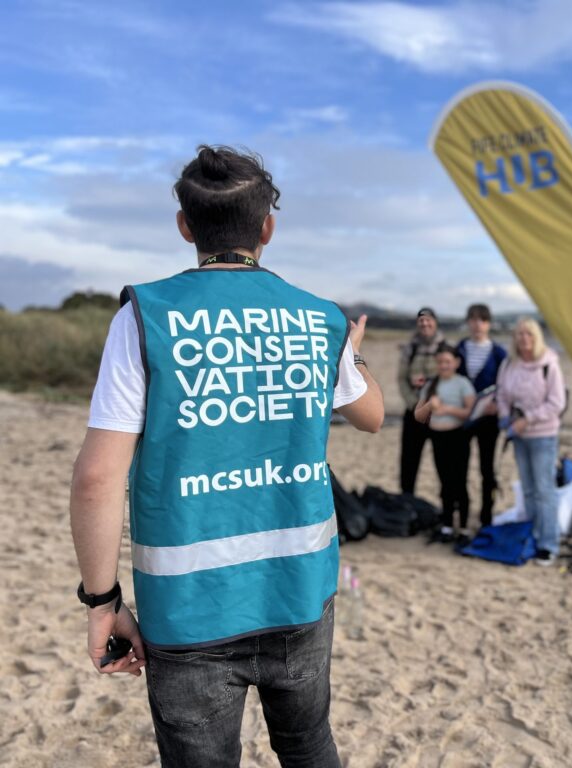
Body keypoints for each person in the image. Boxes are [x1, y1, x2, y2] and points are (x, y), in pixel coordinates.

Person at [69, 145, 385, 768]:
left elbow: (97, 478)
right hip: (298, 591)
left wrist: (101, 602)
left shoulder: (145, 317)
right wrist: (352, 351)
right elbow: (372, 415)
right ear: (267, 228)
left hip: (189, 608)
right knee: (308, 742)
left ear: (185, 225)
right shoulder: (320, 319)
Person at [496, 317, 566, 565]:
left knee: (544, 490)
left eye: (529, 334)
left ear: (537, 338)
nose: (524, 339)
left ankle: (549, 543)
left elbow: (557, 403)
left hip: (543, 435)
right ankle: (533, 534)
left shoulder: (549, 365)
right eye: (520, 334)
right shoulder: (509, 364)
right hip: (518, 436)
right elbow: (502, 394)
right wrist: (506, 416)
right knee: (528, 489)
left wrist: (528, 419)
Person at [414, 343, 476, 545]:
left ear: (456, 363)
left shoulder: (462, 383)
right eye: (440, 362)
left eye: (448, 362)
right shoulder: (431, 384)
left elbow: (471, 411)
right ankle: (448, 525)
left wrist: (448, 409)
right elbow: (418, 415)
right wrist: (431, 405)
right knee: (445, 483)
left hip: (458, 438)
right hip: (438, 439)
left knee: (460, 483)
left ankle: (464, 527)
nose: (444, 365)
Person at [455, 303, 508, 528]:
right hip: (463, 419)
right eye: (473, 319)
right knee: (460, 468)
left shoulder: (498, 352)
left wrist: (497, 404)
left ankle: (487, 515)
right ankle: (463, 514)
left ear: (488, 323)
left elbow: (506, 384)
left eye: (482, 320)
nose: (477, 324)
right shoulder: (459, 349)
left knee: (487, 470)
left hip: (488, 420)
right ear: (468, 322)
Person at [398, 307, 445, 494]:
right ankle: (407, 501)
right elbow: (401, 379)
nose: (425, 324)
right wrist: (413, 404)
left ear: (436, 322)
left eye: (428, 320)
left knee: (443, 462)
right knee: (409, 462)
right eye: (421, 321)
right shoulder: (411, 348)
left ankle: (447, 509)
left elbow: (451, 378)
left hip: (438, 413)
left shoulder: (445, 346)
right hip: (413, 412)